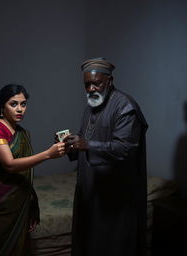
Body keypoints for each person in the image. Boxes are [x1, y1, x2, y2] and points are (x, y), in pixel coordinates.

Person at [64, 57, 148, 256]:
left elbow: (125, 148)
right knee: (88, 241)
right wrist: (72, 146)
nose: (91, 89)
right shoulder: (91, 106)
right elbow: (85, 140)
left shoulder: (125, 107)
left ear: (109, 81)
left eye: (97, 83)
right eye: (87, 84)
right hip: (91, 189)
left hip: (114, 195)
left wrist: (86, 144)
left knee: (110, 244)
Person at [0, 84, 65, 255]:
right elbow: (9, 164)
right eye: (13, 104)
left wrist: (31, 205)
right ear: (2, 106)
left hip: (19, 201)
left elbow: (25, 173)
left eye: (23, 104)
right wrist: (48, 154)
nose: (20, 109)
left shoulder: (22, 132)